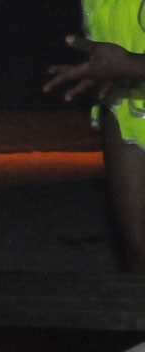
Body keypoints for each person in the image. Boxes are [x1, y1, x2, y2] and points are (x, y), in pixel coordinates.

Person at [44, 1, 145, 272]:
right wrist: (106, 67)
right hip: (125, 101)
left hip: (129, 73)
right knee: (138, 252)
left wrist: (131, 65)